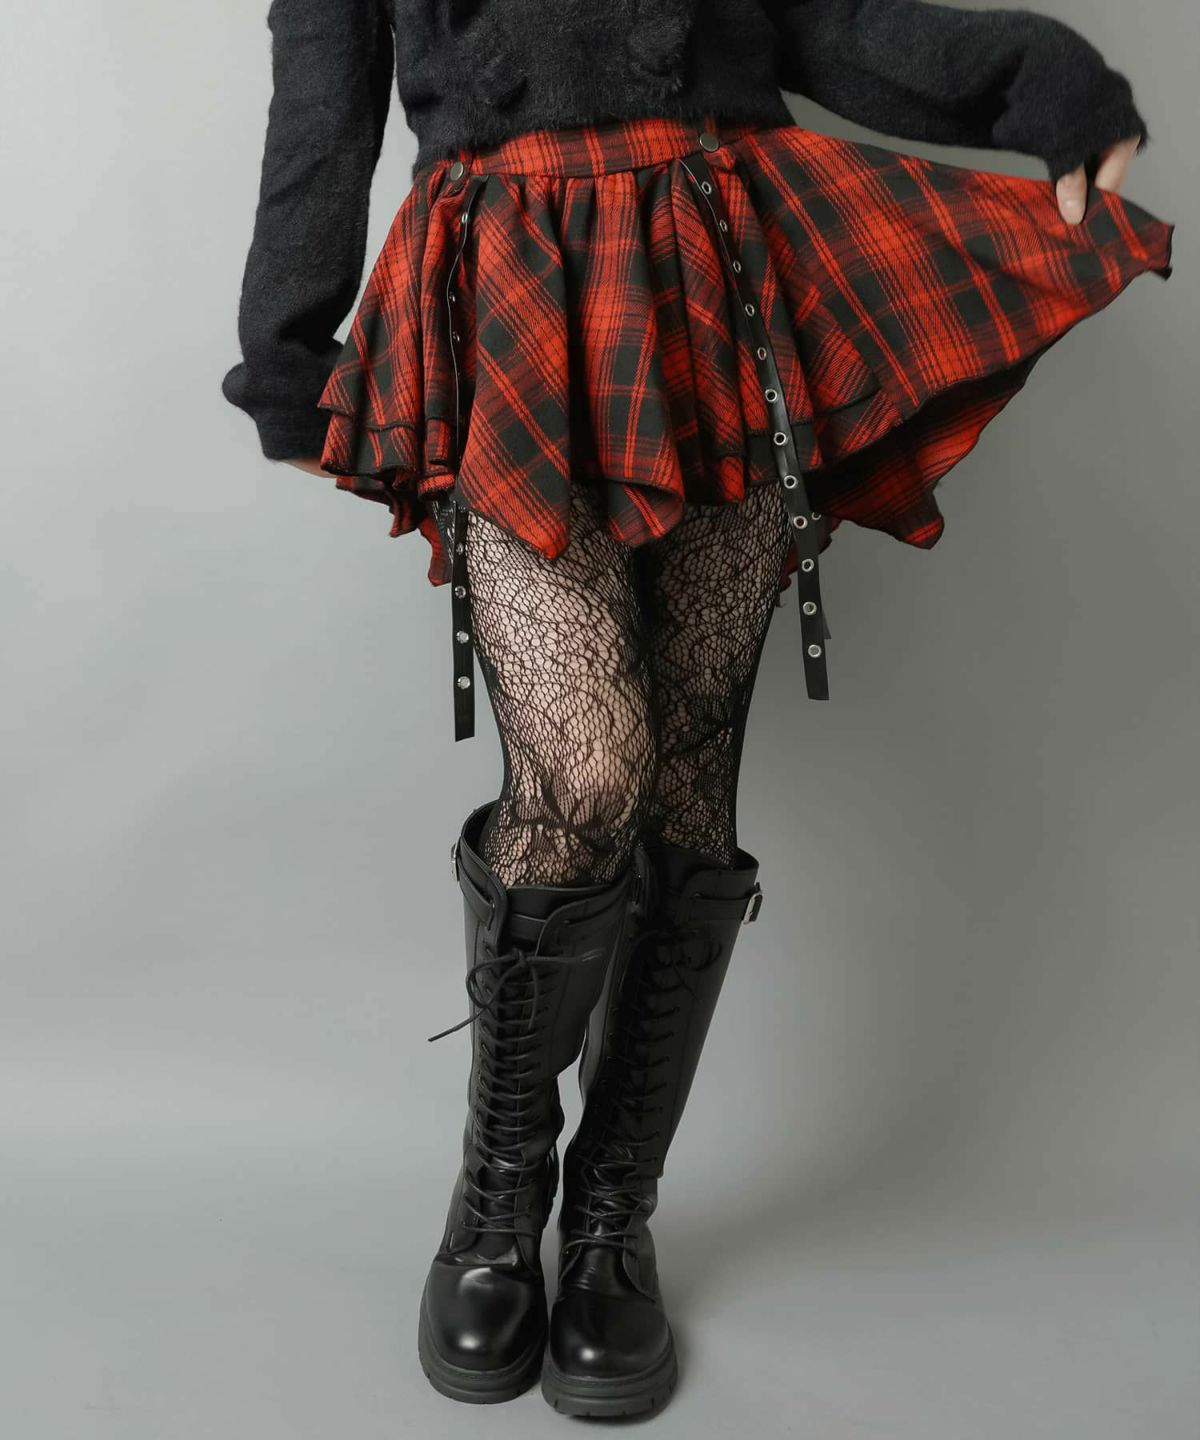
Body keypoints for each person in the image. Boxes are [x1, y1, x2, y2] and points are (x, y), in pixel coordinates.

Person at [220, 0, 1174, 1417]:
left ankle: (614, 1210)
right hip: (513, 279)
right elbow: (322, 104)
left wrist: (1037, 77)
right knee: (587, 771)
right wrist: (290, 351)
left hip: (716, 267)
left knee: (680, 783)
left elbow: (823, 22)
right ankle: (497, 1199)